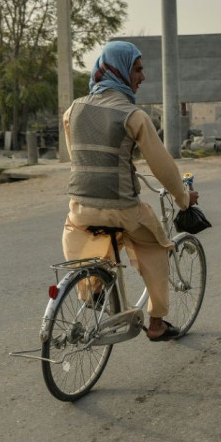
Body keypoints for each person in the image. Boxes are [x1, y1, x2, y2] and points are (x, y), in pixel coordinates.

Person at [62, 41, 199, 341]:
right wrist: (184, 198)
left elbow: (79, 157)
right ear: (119, 70)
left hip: (81, 208)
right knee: (157, 247)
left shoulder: (73, 110)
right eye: (137, 69)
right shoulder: (133, 115)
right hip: (122, 209)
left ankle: (91, 290)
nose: (143, 76)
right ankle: (157, 324)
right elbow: (163, 167)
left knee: (84, 237)